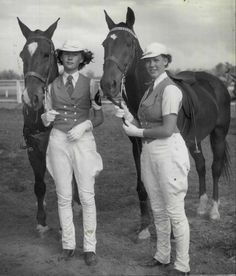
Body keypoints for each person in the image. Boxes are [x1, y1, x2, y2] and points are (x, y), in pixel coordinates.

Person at [115, 42, 190, 275]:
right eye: (148, 61)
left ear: (166, 61)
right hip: (149, 152)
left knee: (175, 211)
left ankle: (182, 265)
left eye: (157, 59)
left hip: (168, 151)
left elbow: (167, 129)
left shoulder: (170, 89)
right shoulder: (149, 88)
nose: (152, 64)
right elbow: (144, 123)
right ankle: (162, 255)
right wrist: (127, 114)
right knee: (157, 208)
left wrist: (136, 133)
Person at [41, 40, 103, 266]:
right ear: (61, 57)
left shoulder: (92, 84)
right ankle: (68, 245)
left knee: (87, 196)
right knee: (64, 196)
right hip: (58, 141)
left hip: (82, 141)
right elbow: (47, 115)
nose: (69, 58)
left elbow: (99, 117)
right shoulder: (51, 86)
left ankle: (89, 247)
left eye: (74, 55)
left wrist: (85, 125)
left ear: (81, 58)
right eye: (66, 54)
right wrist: (44, 118)